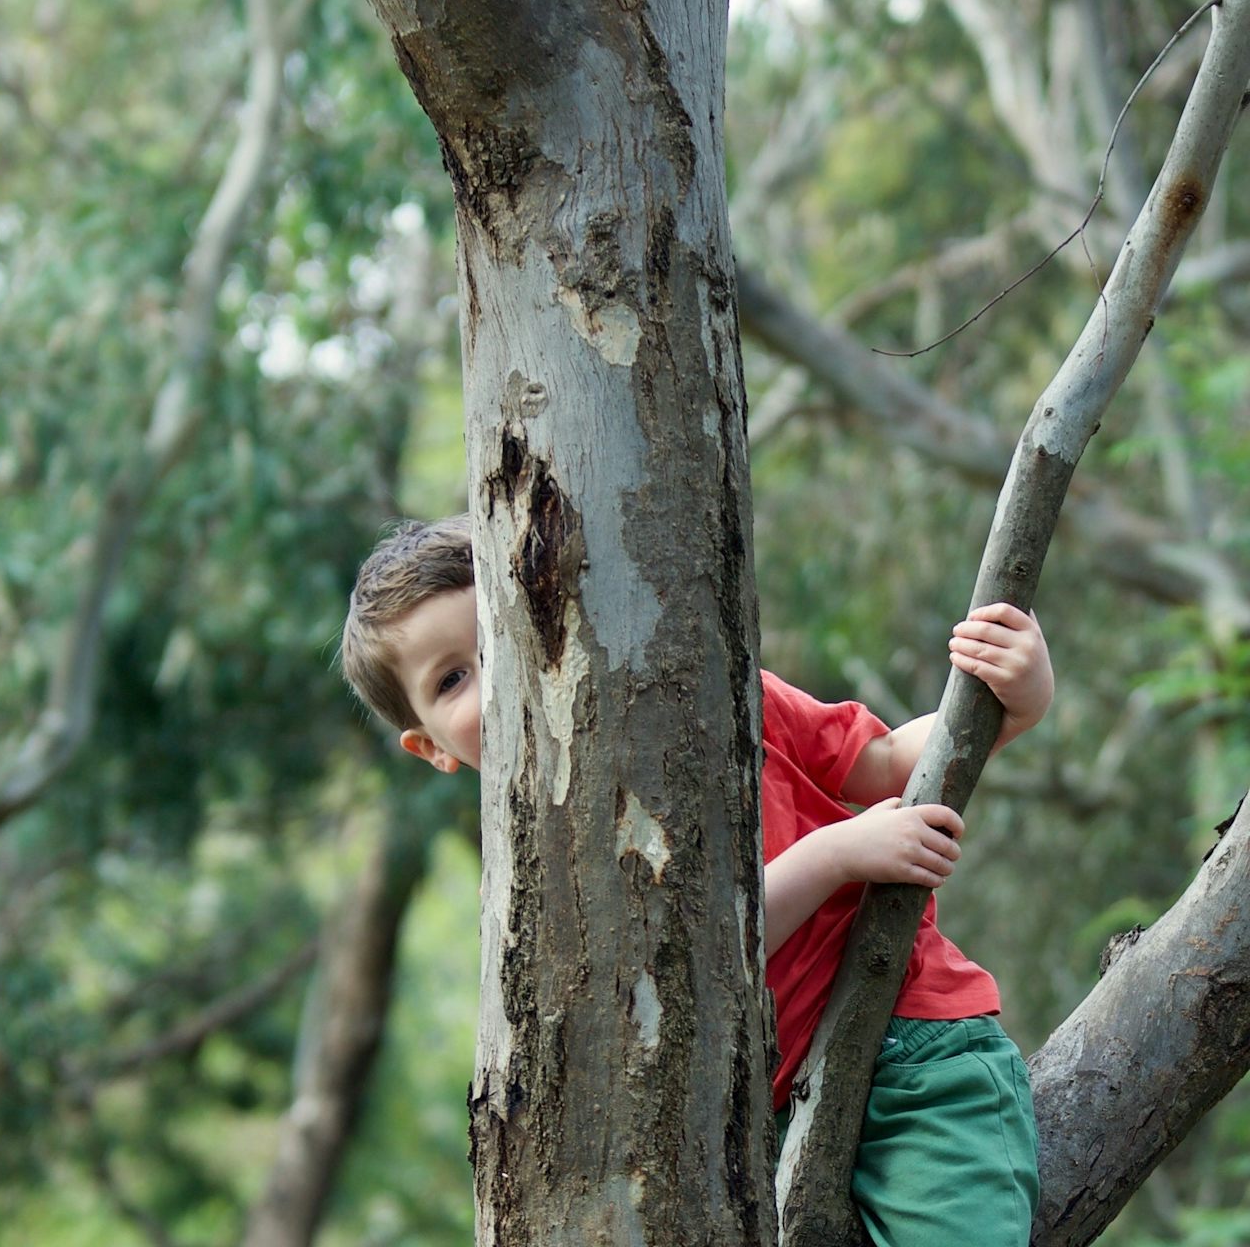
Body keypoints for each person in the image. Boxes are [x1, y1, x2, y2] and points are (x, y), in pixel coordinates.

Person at [339, 512, 1047, 1247]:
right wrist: (837, 854)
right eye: (453, 679)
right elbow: (694, 960)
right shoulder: (532, 892)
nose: (499, 681)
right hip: (757, 1136)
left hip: (911, 1053)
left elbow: (886, 764)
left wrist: (1014, 700)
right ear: (428, 747)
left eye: (506, 634)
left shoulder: (720, 696)